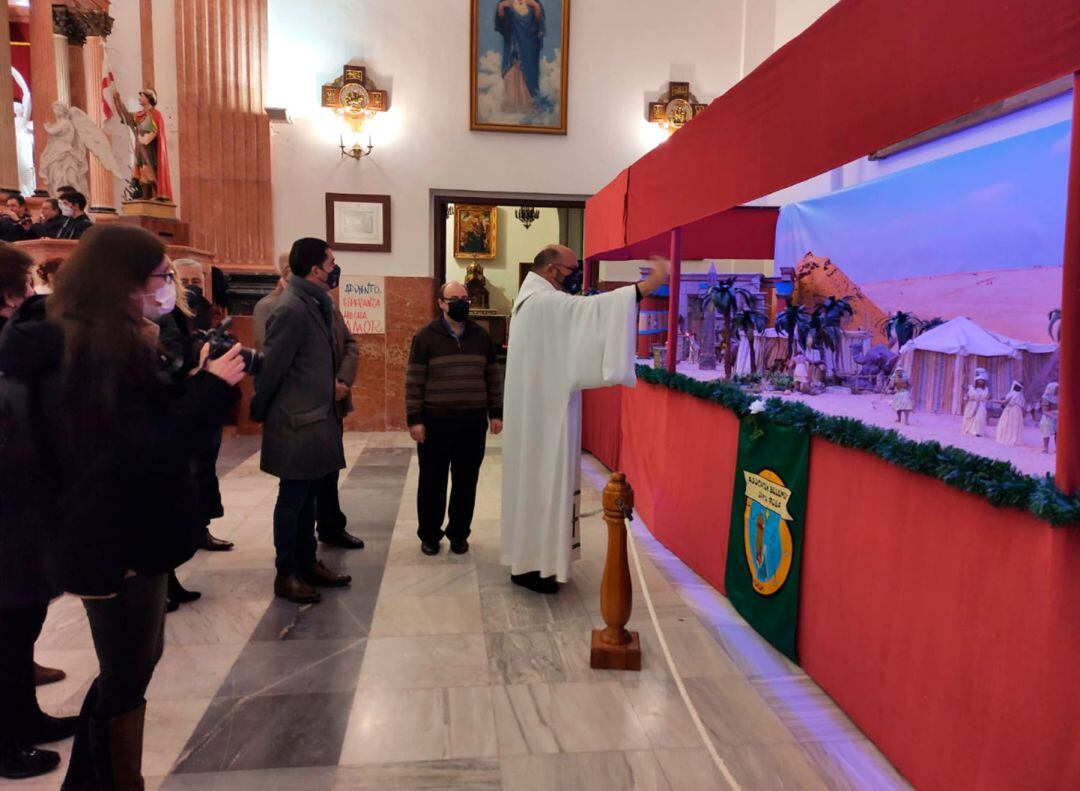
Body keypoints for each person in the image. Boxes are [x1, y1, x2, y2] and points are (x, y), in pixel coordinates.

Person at [0, 225, 243, 788]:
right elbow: (138, 456)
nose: (167, 287)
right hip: (113, 538)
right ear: (124, 283)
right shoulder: (86, 354)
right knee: (126, 672)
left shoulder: (102, 341)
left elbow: (136, 427)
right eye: (161, 277)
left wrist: (188, 382)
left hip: (123, 531)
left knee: (135, 665)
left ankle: (98, 778)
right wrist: (209, 390)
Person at [501, 245, 667, 593]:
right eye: (572, 269)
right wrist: (646, 286)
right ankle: (536, 565)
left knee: (535, 486)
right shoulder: (543, 302)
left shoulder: (531, 300)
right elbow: (591, 312)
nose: (575, 276)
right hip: (546, 419)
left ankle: (531, 561)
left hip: (539, 411)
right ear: (551, 269)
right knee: (544, 485)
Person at [0, 245, 77, 780]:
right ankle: (7, 742)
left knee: (23, 624)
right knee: (7, 632)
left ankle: (25, 718)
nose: (31, 293)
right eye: (25, 284)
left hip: (25, 506)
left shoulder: (17, 340)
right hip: (9, 506)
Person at [251, 238, 352, 603]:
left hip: (316, 419)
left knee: (309, 499)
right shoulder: (291, 308)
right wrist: (260, 411)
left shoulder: (315, 301)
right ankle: (287, 573)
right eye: (331, 263)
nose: (334, 268)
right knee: (292, 501)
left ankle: (307, 563)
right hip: (295, 422)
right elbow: (270, 368)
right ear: (315, 270)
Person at [407, 281, 503, 556]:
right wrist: (415, 419)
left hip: (472, 424)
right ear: (441, 303)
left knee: (465, 483)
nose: (461, 303)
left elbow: (493, 377)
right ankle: (430, 534)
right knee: (432, 483)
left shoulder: (481, 336)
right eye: (454, 299)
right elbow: (414, 380)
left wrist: (496, 412)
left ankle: (459, 534)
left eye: (464, 298)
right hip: (435, 422)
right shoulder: (425, 336)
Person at [112, 87, 173, 201]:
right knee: (142, 173)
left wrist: (144, 139)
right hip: (141, 149)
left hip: (150, 149)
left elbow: (154, 131)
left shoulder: (155, 114)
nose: (139, 98)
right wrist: (118, 101)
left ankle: (157, 194)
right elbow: (125, 116)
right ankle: (146, 195)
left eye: (142, 96)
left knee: (148, 171)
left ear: (149, 98)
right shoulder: (140, 115)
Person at [495, 0, 546, 113]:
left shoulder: (534, 3)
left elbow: (540, 23)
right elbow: (501, 24)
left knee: (529, 73)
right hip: (513, 47)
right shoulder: (507, 2)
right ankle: (511, 106)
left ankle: (528, 105)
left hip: (530, 48)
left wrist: (536, 6)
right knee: (512, 70)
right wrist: (501, 7)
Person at [996, 381, 1025, 446]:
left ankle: (1009, 437)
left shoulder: (1013, 394)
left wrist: (996, 401)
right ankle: (1015, 437)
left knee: (1009, 424)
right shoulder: (1021, 395)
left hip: (1012, 410)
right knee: (1015, 424)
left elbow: (1005, 402)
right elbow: (1023, 405)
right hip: (1018, 411)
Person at [961, 370, 990, 437]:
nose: (980, 381)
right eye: (979, 380)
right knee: (971, 417)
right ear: (976, 381)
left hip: (981, 405)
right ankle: (971, 430)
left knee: (979, 418)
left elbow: (988, 397)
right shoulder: (972, 387)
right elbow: (963, 388)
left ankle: (978, 432)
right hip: (971, 405)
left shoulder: (986, 389)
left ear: (984, 381)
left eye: (982, 380)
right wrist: (964, 379)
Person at [1040, 382, 1059, 454]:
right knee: (1046, 432)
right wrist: (1053, 416)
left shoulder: (1061, 396)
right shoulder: (1046, 397)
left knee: (1058, 433)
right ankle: (1045, 448)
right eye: (1056, 388)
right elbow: (1044, 411)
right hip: (1048, 417)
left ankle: (1058, 448)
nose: (1057, 390)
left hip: (1058, 417)